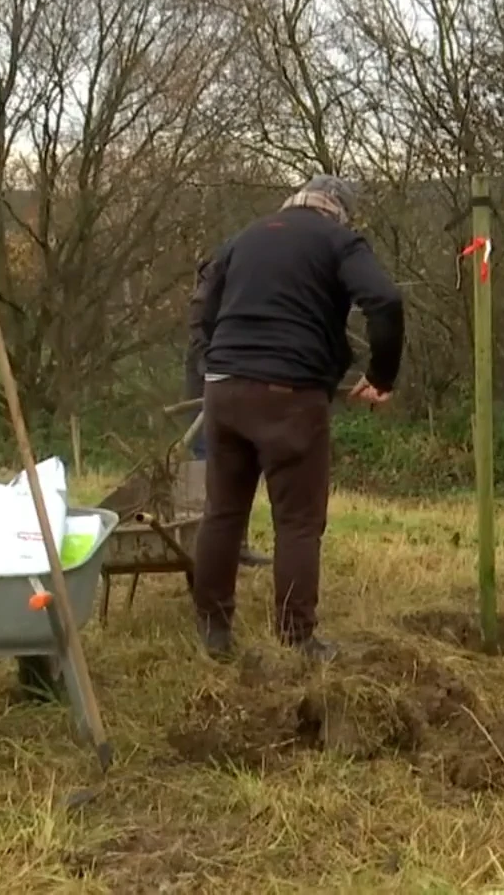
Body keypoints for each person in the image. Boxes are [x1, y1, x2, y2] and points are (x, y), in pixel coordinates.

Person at [192, 175, 404, 661]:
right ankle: (297, 637)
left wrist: (214, 358)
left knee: (222, 512)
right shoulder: (339, 240)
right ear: (339, 210)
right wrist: (382, 377)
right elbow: (385, 300)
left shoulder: (244, 237)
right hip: (289, 394)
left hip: (222, 388)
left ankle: (213, 631)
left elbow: (204, 301)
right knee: (298, 522)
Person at [185, 252, 272, 568]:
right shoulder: (212, 285)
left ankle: (238, 544)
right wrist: (214, 373)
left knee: (244, 467)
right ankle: (214, 547)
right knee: (211, 469)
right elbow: (199, 337)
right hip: (209, 391)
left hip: (236, 388)